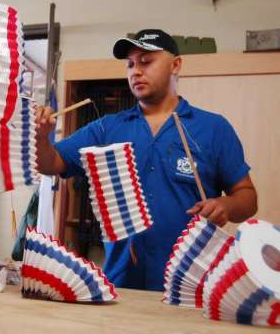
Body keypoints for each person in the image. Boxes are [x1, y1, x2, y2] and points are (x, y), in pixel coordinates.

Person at [35, 29, 257, 291]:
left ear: (175, 65)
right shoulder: (107, 129)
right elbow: (51, 163)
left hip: (192, 287)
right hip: (121, 286)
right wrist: (40, 137)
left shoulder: (213, 129)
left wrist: (226, 205)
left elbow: (247, 198)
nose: (135, 71)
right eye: (130, 64)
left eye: (146, 61)